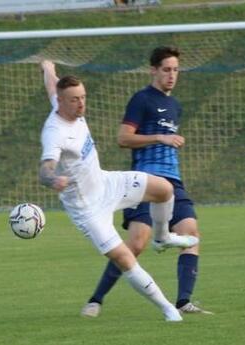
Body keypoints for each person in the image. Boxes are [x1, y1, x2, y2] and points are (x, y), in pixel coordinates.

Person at [38, 60, 198, 321]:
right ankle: (169, 309)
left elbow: (52, 84)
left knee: (164, 190)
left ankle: (162, 238)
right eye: (75, 100)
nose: (81, 104)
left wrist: (46, 68)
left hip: (106, 183)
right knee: (126, 260)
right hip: (88, 210)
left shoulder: (62, 102)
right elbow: (45, 168)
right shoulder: (54, 133)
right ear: (62, 101)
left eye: (83, 97)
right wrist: (52, 179)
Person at [81, 46, 212, 318]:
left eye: (176, 70)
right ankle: (96, 299)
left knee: (191, 234)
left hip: (173, 182)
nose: (172, 75)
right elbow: (123, 138)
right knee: (138, 243)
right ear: (153, 70)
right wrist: (160, 138)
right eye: (166, 69)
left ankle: (184, 301)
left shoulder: (175, 106)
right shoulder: (142, 100)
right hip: (145, 182)